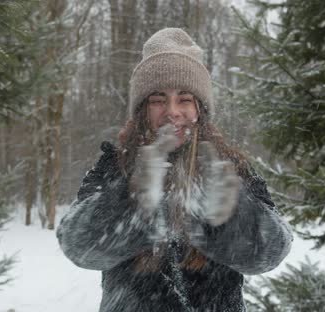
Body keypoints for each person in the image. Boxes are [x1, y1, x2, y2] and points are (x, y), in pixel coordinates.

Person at [56, 28, 292, 312]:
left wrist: (232, 216)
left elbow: (271, 253)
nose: (172, 111)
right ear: (143, 109)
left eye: (184, 99)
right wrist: (132, 203)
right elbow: (78, 247)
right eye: (158, 99)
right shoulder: (114, 165)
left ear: (200, 109)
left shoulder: (229, 167)